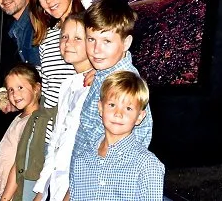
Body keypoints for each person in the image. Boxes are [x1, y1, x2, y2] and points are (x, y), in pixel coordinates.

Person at [70, 0, 153, 169]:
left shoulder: (125, 85)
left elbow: (139, 139)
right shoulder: (105, 73)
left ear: (126, 43)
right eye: (91, 39)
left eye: (106, 41)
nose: (96, 50)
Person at [69, 71, 165, 201]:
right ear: (100, 108)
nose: (118, 114)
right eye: (112, 105)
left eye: (128, 108)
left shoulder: (147, 165)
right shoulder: (81, 160)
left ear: (140, 117)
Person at [32, 13, 92, 201]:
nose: (67, 43)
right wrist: (41, 192)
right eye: (64, 37)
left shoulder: (100, 86)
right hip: (58, 187)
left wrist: (70, 193)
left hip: (81, 190)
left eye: (77, 38)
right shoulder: (67, 85)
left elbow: (90, 151)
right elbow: (56, 140)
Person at [30, 0, 84, 136]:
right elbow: (47, 85)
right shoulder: (47, 37)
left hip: (77, 130)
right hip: (48, 131)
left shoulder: (91, 27)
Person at [0, 63, 41, 201]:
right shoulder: (21, 117)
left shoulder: (33, 121)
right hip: (2, 188)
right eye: (10, 90)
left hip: (10, 192)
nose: (15, 94)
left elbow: (20, 163)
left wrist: (6, 197)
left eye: (20, 87)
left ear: (36, 88)